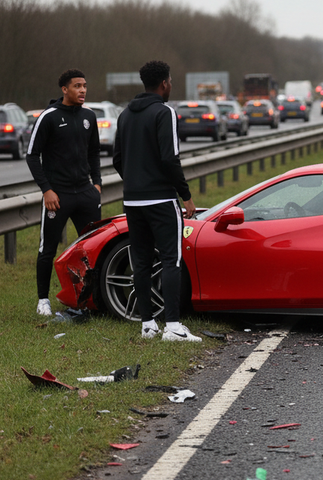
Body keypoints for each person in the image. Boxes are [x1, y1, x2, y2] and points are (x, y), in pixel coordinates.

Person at [113, 60, 199, 341]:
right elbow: (169, 158)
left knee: (141, 262)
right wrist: (185, 195)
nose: (171, 86)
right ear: (164, 83)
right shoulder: (165, 113)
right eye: (171, 81)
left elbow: (117, 159)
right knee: (171, 258)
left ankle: (148, 324)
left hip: (132, 201)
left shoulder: (125, 114)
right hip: (161, 200)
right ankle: (173, 326)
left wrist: (135, 180)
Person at [26, 69, 102, 316]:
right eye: (77, 86)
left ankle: (93, 297)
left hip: (86, 194)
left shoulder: (89, 116)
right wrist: (47, 190)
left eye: (85, 85)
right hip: (58, 197)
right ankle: (42, 300)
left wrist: (97, 183)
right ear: (64, 89)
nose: (82, 90)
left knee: (92, 248)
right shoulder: (48, 117)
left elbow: (94, 153)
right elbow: (32, 156)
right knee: (47, 248)